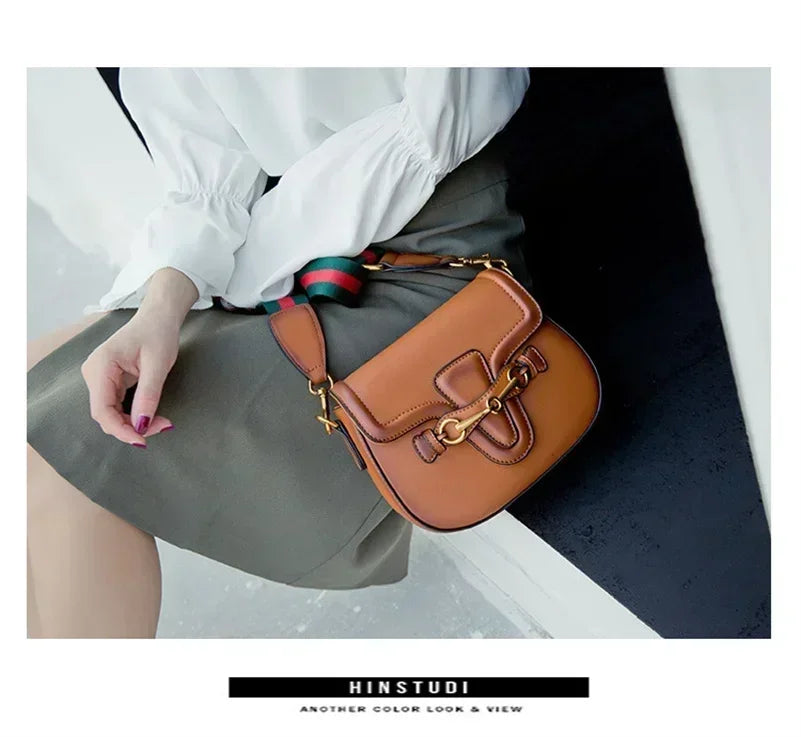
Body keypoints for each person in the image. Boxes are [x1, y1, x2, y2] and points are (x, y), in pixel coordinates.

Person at [27, 67, 532, 638]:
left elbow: (447, 117)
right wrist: (160, 310)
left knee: (63, 454)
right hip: (289, 254)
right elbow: (206, 185)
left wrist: (243, 265)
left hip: (428, 254)